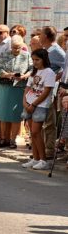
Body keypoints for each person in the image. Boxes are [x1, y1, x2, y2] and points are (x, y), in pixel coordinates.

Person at [0, 35, 32, 148]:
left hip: (19, 87)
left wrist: (24, 76)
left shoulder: (26, 55)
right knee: (3, 114)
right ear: (10, 46)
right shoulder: (4, 54)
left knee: (16, 115)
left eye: (18, 47)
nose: (16, 50)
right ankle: (4, 138)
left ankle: (13, 139)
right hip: (5, 86)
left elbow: (32, 69)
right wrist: (8, 75)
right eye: (14, 47)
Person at [21, 49, 55, 170]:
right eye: (33, 59)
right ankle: (35, 158)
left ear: (44, 59)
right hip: (29, 104)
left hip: (40, 105)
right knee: (32, 133)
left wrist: (34, 104)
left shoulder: (49, 72)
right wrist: (25, 101)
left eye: (37, 60)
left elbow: (46, 91)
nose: (35, 62)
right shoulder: (33, 72)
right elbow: (27, 88)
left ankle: (43, 159)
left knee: (36, 132)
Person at [39, 26, 66, 160]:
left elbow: (64, 68)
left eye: (41, 34)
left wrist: (55, 78)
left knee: (49, 122)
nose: (39, 37)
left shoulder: (56, 51)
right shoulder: (46, 50)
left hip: (51, 91)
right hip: (42, 90)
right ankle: (42, 150)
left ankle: (49, 151)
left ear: (46, 36)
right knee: (43, 121)